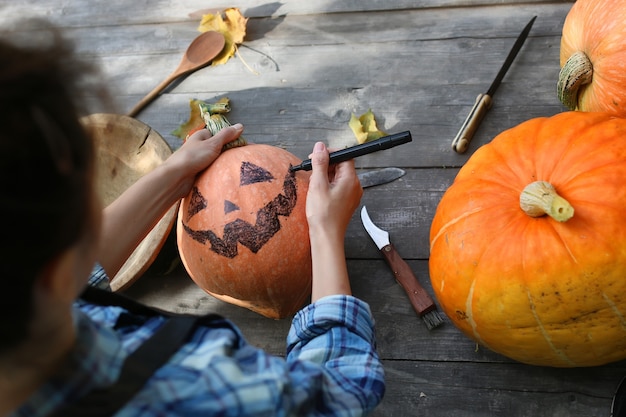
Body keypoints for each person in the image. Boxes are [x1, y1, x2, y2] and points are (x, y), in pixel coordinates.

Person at [1, 22, 385, 416]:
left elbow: (79, 275)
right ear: (55, 268)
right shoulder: (193, 384)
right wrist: (323, 231)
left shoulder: (28, 310)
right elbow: (341, 389)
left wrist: (171, 176)